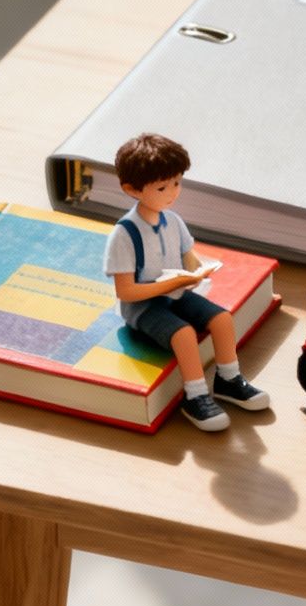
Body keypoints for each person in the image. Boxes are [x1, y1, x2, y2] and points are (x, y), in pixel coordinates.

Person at [103, 132, 269, 431]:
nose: (173, 193)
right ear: (132, 189)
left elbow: (188, 256)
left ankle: (228, 379)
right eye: (163, 187)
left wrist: (199, 271)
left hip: (175, 291)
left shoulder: (173, 221)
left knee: (221, 318)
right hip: (143, 306)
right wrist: (172, 284)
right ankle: (195, 397)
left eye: (177, 183)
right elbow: (125, 291)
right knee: (183, 335)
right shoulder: (124, 234)